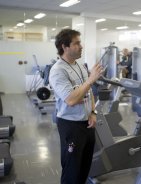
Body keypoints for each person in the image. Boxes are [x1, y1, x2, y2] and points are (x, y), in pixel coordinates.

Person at [49, 29, 103, 184]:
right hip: (70, 125)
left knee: (84, 167)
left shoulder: (79, 65)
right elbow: (71, 100)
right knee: (71, 170)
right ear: (64, 47)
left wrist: (93, 112)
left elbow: (89, 93)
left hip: (87, 123)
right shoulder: (57, 70)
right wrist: (90, 80)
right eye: (77, 43)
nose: (81, 46)